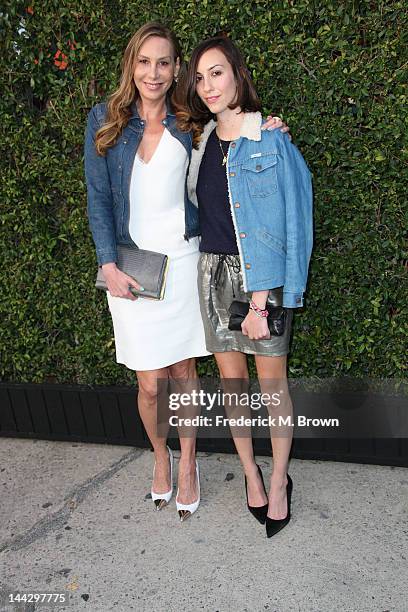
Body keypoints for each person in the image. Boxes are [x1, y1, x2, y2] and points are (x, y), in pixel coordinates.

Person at [84, 22, 290, 522]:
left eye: (163, 62)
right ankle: (161, 455)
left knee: (183, 373)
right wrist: (106, 263)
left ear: (175, 69)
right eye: (143, 61)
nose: (153, 73)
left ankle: (190, 463)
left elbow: (233, 134)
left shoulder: (187, 122)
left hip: (184, 265)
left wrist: (268, 127)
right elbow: (99, 198)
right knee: (150, 382)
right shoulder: (104, 120)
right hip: (131, 271)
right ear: (131, 66)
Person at [178, 35, 313, 536]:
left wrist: (261, 298)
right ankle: (250, 473)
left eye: (216, 72)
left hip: (261, 280)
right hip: (213, 275)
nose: (208, 85)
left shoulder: (270, 139)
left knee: (273, 388)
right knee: (234, 386)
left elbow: (290, 218)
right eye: (199, 77)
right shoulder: (200, 142)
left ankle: (279, 479)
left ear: (236, 74)